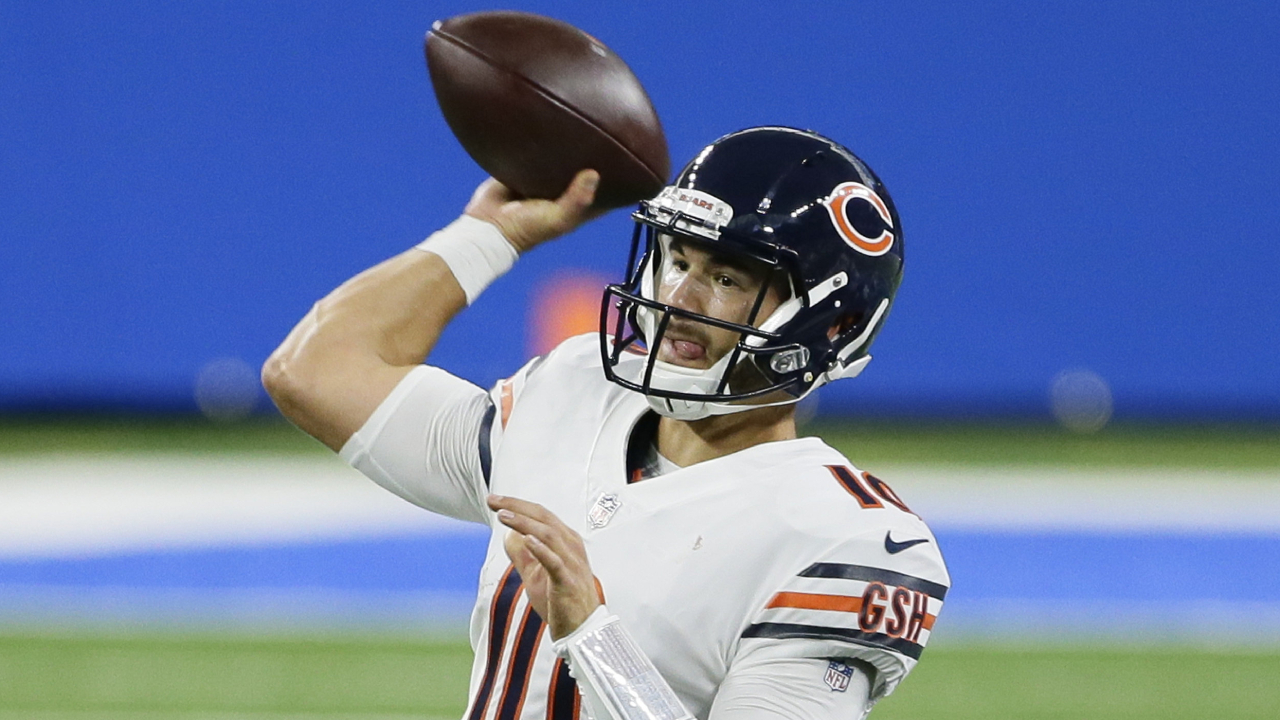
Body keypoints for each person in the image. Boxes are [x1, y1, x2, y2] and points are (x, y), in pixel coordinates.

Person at [263, 126, 949, 720]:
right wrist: (488, 236)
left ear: (830, 322)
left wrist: (592, 635)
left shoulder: (840, 538)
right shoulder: (574, 392)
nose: (678, 297)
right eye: (677, 258)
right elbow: (315, 371)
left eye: (728, 277)